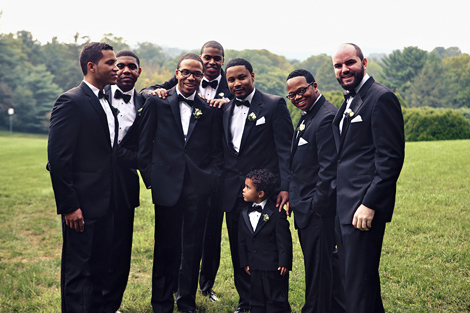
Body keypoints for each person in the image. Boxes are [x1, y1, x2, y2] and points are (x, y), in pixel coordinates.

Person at [141, 41, 231, 301]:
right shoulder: (158, 103)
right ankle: (161, 301)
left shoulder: (209, 110)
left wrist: (210, 179)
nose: (192, 77)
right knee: (165, 247)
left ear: (203, 77)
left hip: (198, 188)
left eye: (197, 73)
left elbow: (216, 152)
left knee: (193, 248)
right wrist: (152, 180)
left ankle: (187, 301)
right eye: (187, 72)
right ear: (177, 73)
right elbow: (144, 148)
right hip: (166, 187)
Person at [331, 43, 405, 313]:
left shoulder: (380, 98)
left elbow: (390, 159)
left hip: (363, 208)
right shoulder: (349, 100)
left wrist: (370, 203)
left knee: (358, 285)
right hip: (344, 206)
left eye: (349, 63)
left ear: (364, 62)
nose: (343, 70)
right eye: (338, 66)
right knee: (358, 281)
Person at [47, 42, 119, 312]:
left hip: (106, 203)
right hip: (82, 207)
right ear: (91, 66)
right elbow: (58, 160)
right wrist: (69, 206)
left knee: (100, 269)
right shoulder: (71, 101)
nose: (117, 67)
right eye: (110, 63)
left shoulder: (106, 102)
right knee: (78, 273)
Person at [221, 57, 293, 313]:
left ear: (252, 76)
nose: (237, 83)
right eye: (231, 79)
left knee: (270, 249)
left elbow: (285, 150)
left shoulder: (274, 105)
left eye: (241, 77)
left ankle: (274, 301)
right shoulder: (226, 109)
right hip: (234, 193)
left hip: (266, 193)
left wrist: (285, 187)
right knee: (241, 249)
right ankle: (247, 301)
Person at [286, 69, 338, 313]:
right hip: (304, 206)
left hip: (317, 210)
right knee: (317, 267)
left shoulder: (326, 116)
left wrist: (317, 206)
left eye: (301, 90)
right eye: (291, 95)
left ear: (314, 86)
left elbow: (329, 169)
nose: (297, 97)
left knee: (318, 270)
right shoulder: (308, 114)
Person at [103, 49, 144, 312]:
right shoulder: (94, 97)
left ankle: (112, 304)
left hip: (126, 185)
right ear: (113, 69)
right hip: (93, 184)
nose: (126, 70)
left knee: (120, 250)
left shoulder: (146, 104)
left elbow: (147, 148)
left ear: (139, 71)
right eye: (121, 65)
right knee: (96, 246)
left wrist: (126, 156)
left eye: (132, 66)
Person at [238, 169, 292, 313]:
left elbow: (284, 241)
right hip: (254, 267)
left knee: (276, 299)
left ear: (260, 193)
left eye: (248, 188)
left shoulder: (276, 213)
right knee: (256, 299)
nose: (243, 190)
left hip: (273, 268)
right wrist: (245, 262)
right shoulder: (244, 214)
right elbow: (242, 241)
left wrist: (284, 262)